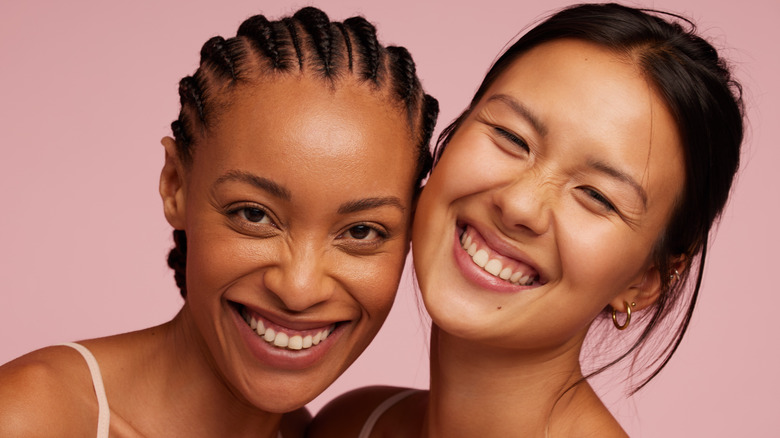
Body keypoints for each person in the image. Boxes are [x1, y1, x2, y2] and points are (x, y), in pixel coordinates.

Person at [0, 6, 437, 438]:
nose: (300, 289)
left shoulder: (315, 432)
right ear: (175, 185)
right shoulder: (31, 419)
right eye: (254, 214)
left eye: (361, 231)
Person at [309, 3, 744, 437]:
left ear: (646, 278)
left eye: (596, 196)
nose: (519, 205)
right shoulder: (351, 423)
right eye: (511, 137)